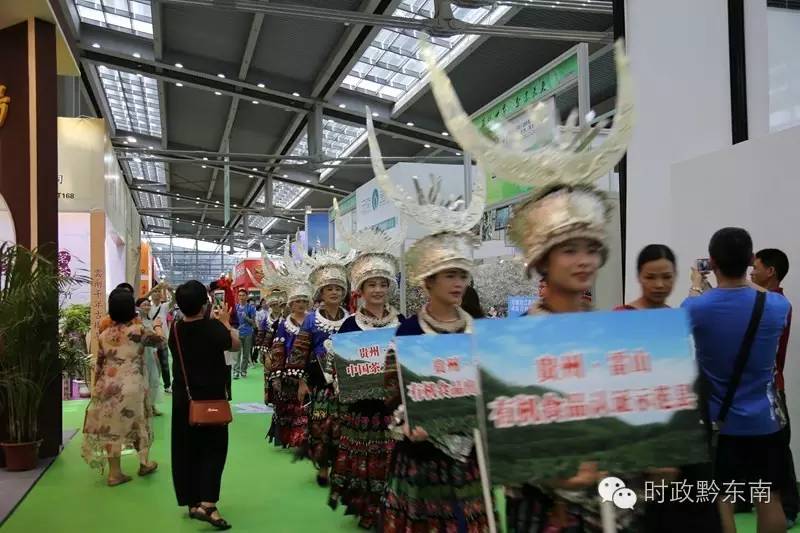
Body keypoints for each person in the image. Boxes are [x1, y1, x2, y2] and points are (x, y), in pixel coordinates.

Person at [366, 118, 490, 532]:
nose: (458, 284)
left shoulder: (480, 331)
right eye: (449, 275)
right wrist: (405, 420)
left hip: (470, 455)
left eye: (462, 275)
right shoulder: (408, 333)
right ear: (429, 282)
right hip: (421, 457)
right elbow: (389, 390)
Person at [683, 228, 790, 533]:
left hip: (721, 425)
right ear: (748, 261)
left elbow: (682, 325)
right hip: (766, 423)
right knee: (769, 499)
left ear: (712, 262)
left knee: (723, 501)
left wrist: (696, 286)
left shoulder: (696, 307)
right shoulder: (778, 306)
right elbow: (762, 297)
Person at [328, 206, 405, 529]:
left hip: (392, 408)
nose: (377, 290)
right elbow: (338, 369)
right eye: (371, 284)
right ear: (360, 289)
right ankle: (365, 506)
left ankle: (390, 507)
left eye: (382, 284)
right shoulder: (348, 327)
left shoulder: (403, 324)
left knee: (391, 460)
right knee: (363, 459)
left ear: (390, 287)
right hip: (361, 407)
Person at [169, 280, 240, 531]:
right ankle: (208, 505)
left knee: (185, 450)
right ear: (205, 303)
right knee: (213, 450)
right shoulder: (213, 328)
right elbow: (235, 345)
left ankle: (191, 501)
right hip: (211, 400)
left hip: (183, 400)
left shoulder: (175, 329)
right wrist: (225, 322)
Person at [81, 288, 162, 486]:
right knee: (138, 423)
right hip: (132, 385)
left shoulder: (104, 334)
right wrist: (158, 325)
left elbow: (99, 363)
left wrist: (96, 389)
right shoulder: (138, 331)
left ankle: (114, 473)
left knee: (111, 427)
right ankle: (144, 463)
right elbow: (161, 342)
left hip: (108, 386)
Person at [285, 249, 351, 486]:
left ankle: (340, 467)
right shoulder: (312, 320)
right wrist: (301, 382)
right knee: (322, 424)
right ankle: (323, 467)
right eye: (329, 289)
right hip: (319, 383)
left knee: (344, 427)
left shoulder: (351, 318)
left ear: (344, 292)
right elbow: (300, 352)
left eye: (338, 288)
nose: (334, 292)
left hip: (346, 383)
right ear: (321, 293)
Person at [750, 247, 797, 526]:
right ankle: (746, 499)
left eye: (755, 267)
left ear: (771, 271)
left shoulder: (777, 304)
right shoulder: (763, 300)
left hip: (771, 388)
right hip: (758, 387)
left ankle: (789, 509)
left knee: (779, 449)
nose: (751, 272)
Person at [616, 244, 677, 310]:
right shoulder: (622, 315)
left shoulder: (676, 317)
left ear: (675, 275)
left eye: (667, 277)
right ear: (639, 276)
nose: (659, 285)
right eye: (650, 277)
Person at [136, 297, 164, 416]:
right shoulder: (137, 322)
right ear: (138, 307)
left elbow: (156, 340)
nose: (147, 307)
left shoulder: (151, 320)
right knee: (142, 381)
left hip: (150, 354)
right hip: (140, 354)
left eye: (148, 305)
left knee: (154, 379)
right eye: (144, 305)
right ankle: (143, 407)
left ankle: (151, 405)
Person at [149, 287, 173, 394]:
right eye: (154, 292)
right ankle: (151, 385)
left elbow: (175, 300)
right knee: (151, 364)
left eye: (158, 291)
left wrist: (170, 290)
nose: (156, 294)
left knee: (164, 363)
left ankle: (167, 385)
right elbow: (138, 301)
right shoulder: (148, 307)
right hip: (150, 340)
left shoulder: (164, 306)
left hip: (163, 339)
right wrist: (151, 290)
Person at [234, 288, 256, 379]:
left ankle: (243, 371)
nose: (241, 297)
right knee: (237, 354)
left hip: (248, 333)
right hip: (238, 333)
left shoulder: (251, 308)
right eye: (240, 295)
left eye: (243, 295)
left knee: (246, 354)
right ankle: (236, 371)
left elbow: (253, 323)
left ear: (246, 297)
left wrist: (246, 317)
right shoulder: (235, 307)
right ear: (238, 297)